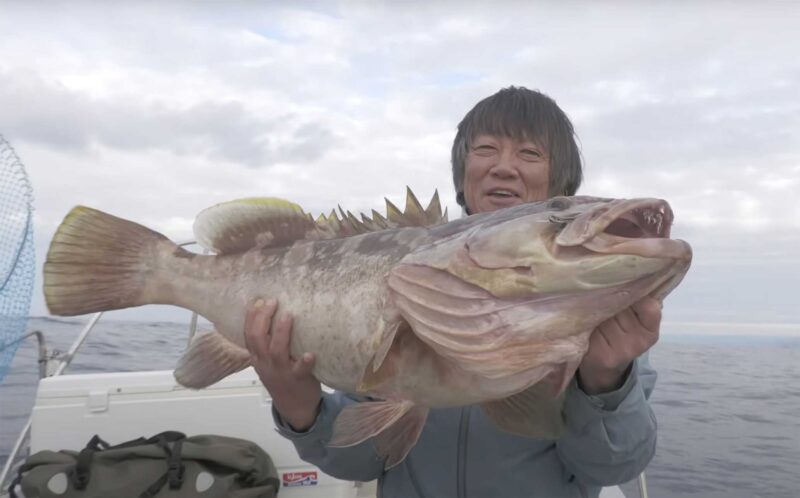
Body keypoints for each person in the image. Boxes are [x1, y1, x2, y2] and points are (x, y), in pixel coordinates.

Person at [244, 86, 661, 498]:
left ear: (560, 184)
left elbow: (614, 465)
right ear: (463, 172)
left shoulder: (592, 314)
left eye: (530, 153)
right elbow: (362, 460)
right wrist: (302, 409)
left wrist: (605, 383)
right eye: (485, 149)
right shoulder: (400, 276)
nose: (503, 167)